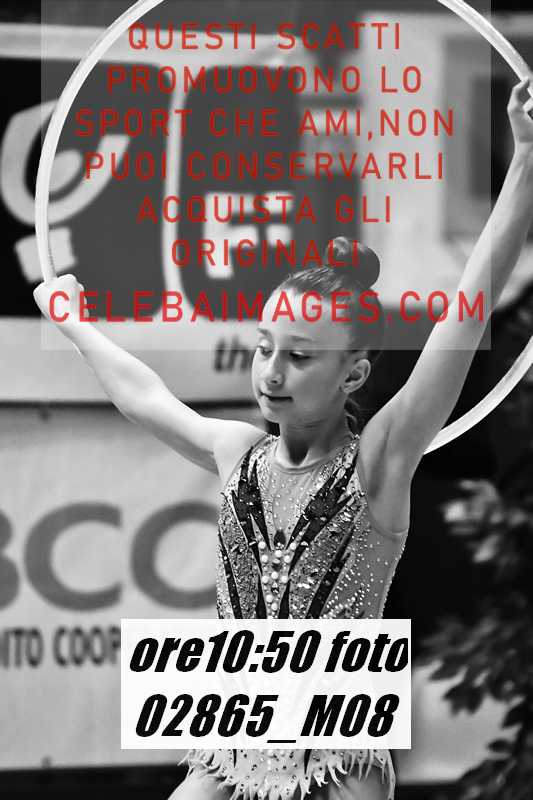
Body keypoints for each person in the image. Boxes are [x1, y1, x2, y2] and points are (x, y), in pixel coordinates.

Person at [34, 78, 533, 800]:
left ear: (353, 372)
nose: (271, 372)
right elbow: (144, 395)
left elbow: (466, 311)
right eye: (265, 346)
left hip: (337, 759)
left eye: (299, 356)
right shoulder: (238, 453)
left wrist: (524, 159)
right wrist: (75, 323)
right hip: (228, 748)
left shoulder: (378, 462)